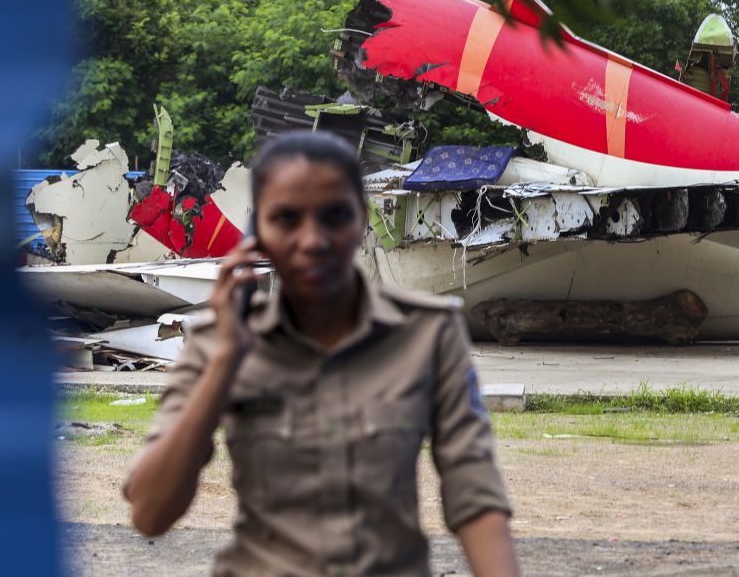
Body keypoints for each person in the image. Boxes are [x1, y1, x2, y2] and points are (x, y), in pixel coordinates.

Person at [124, 131, 519, 576]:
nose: (312, 239)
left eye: (333, 216)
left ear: (361, 220)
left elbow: (475, 494)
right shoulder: (219, 340)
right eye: (286, 219)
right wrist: (224, 363)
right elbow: (150, 513)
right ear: (258, 233)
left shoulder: (427, 333)